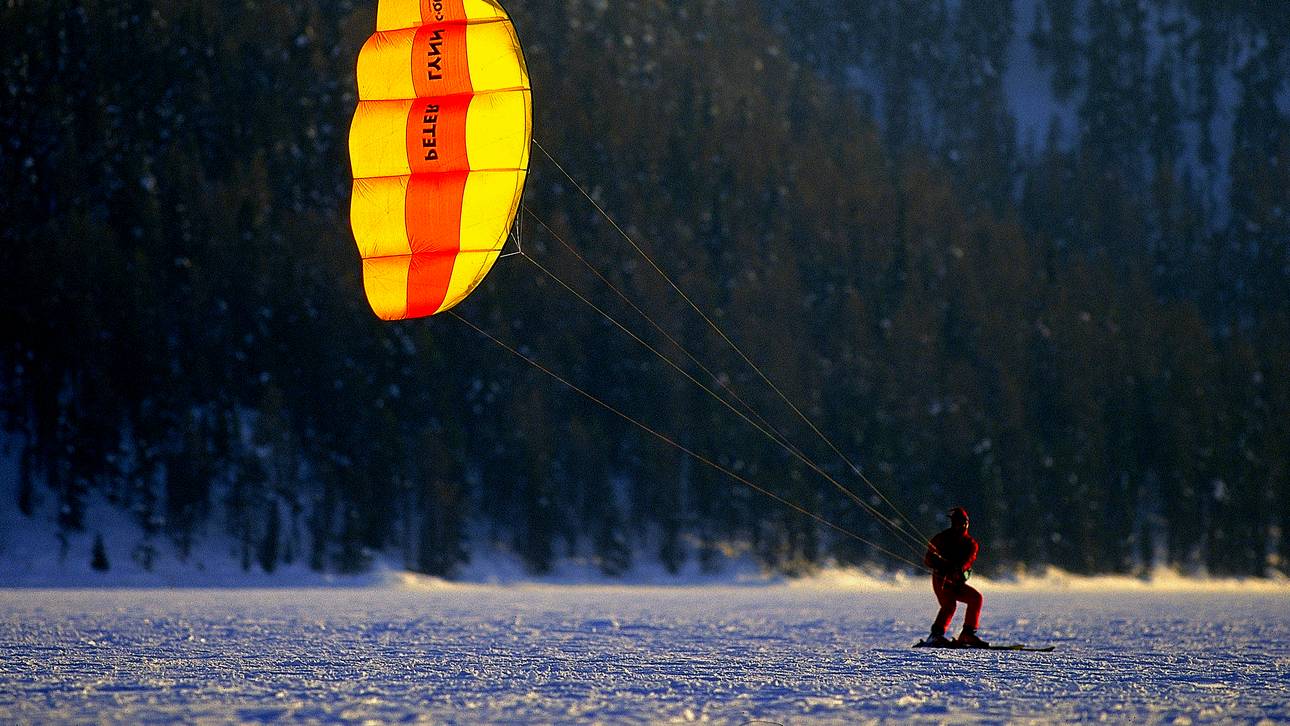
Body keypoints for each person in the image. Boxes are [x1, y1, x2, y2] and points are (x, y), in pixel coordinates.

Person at [922, 506, 989, 647]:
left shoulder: (971, 544)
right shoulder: (941, 538)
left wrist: (957, 570)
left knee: (976, 598)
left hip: (956, 582)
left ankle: (967, 634)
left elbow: (968, 560)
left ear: (968, 523)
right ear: (952, 523)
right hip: (941, 579)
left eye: (963, 521)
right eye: (957, 522)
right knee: (949, 604)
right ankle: (935, 636)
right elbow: (928, 558)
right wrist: (939, 563)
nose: (961, 525)